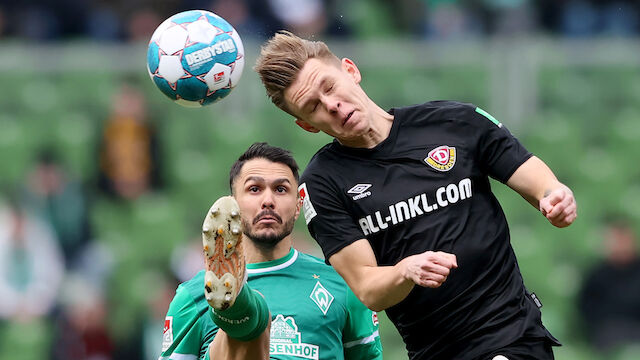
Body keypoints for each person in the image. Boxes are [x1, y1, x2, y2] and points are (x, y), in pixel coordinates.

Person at [254, 31, 577, 360]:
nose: (332, 105)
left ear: (350, 70)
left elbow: (532, 175)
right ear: (307, 126)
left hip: (511, 333)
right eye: (314, 107)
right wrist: (404, 271)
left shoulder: (454, 122)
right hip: (434, 351)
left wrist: (553, 195)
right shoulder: (323, 184)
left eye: (329, 86)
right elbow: (366, 287)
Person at [160, 142, 383, 360]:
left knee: (251, 322)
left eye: (281, 189)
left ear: (298, 208)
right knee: (243, 332)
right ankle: (239, 310)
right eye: (254, 189)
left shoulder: (341, 284)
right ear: (234, 205)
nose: (268, 200)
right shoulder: (194, 294)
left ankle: (241, 309)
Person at [577, 217, 640, 352]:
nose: (620, 244)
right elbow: (586, 310)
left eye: (624, 239)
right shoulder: (596, 275)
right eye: (616, 240)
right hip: (609, 334)